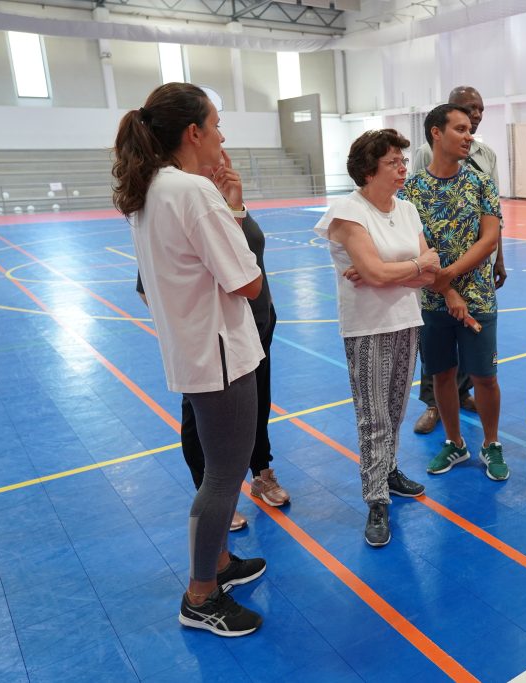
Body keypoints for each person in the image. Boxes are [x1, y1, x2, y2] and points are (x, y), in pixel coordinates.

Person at [113, 82, 267, 636]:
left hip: (195, 350)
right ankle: (201, 595)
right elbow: (247, 281)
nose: (223, 135)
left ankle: (221, 564)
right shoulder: (192, 194)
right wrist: (230, 208)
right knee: (224, 476)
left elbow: (155, 287)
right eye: (217, 124)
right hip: (220, 355)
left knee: (220, 469)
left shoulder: (152, 189)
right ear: (193, 132)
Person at [314, 129, 439, 547]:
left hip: (407, 320)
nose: (404, 168)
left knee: (396, 408)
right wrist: (408, 267)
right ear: (368, 171)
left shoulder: (407, 210)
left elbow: (431, 269)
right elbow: (390, 271)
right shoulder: (347, 213)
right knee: (373, 416)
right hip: (368, 327)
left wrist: (390, 271)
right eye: (393, 163)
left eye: (404, 161)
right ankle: (376, 500)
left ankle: (388, 470)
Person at [136, 201, 290, 534]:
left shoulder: (229, 205)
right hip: (214, 341)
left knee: (258, 405)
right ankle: (212, 497)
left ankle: (262, 474)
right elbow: (147, 288)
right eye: (216, 145)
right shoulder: (185, 208)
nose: (222, 150)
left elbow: (253, 262)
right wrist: (189, 330)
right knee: (198, 418)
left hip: (256, 325)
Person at [401, 103, 507, 481]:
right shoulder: (411, 190)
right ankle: (455, 443)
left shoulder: (480, 183)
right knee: (442, 374)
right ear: (436, 133)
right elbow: (413, 246)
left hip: (477, 297)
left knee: (485, 377)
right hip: (430, 299)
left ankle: (491, 443)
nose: (469, 136)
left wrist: (450, 276)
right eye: (460, 129)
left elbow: (489, 237)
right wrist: (442, 287)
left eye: (469, 129)